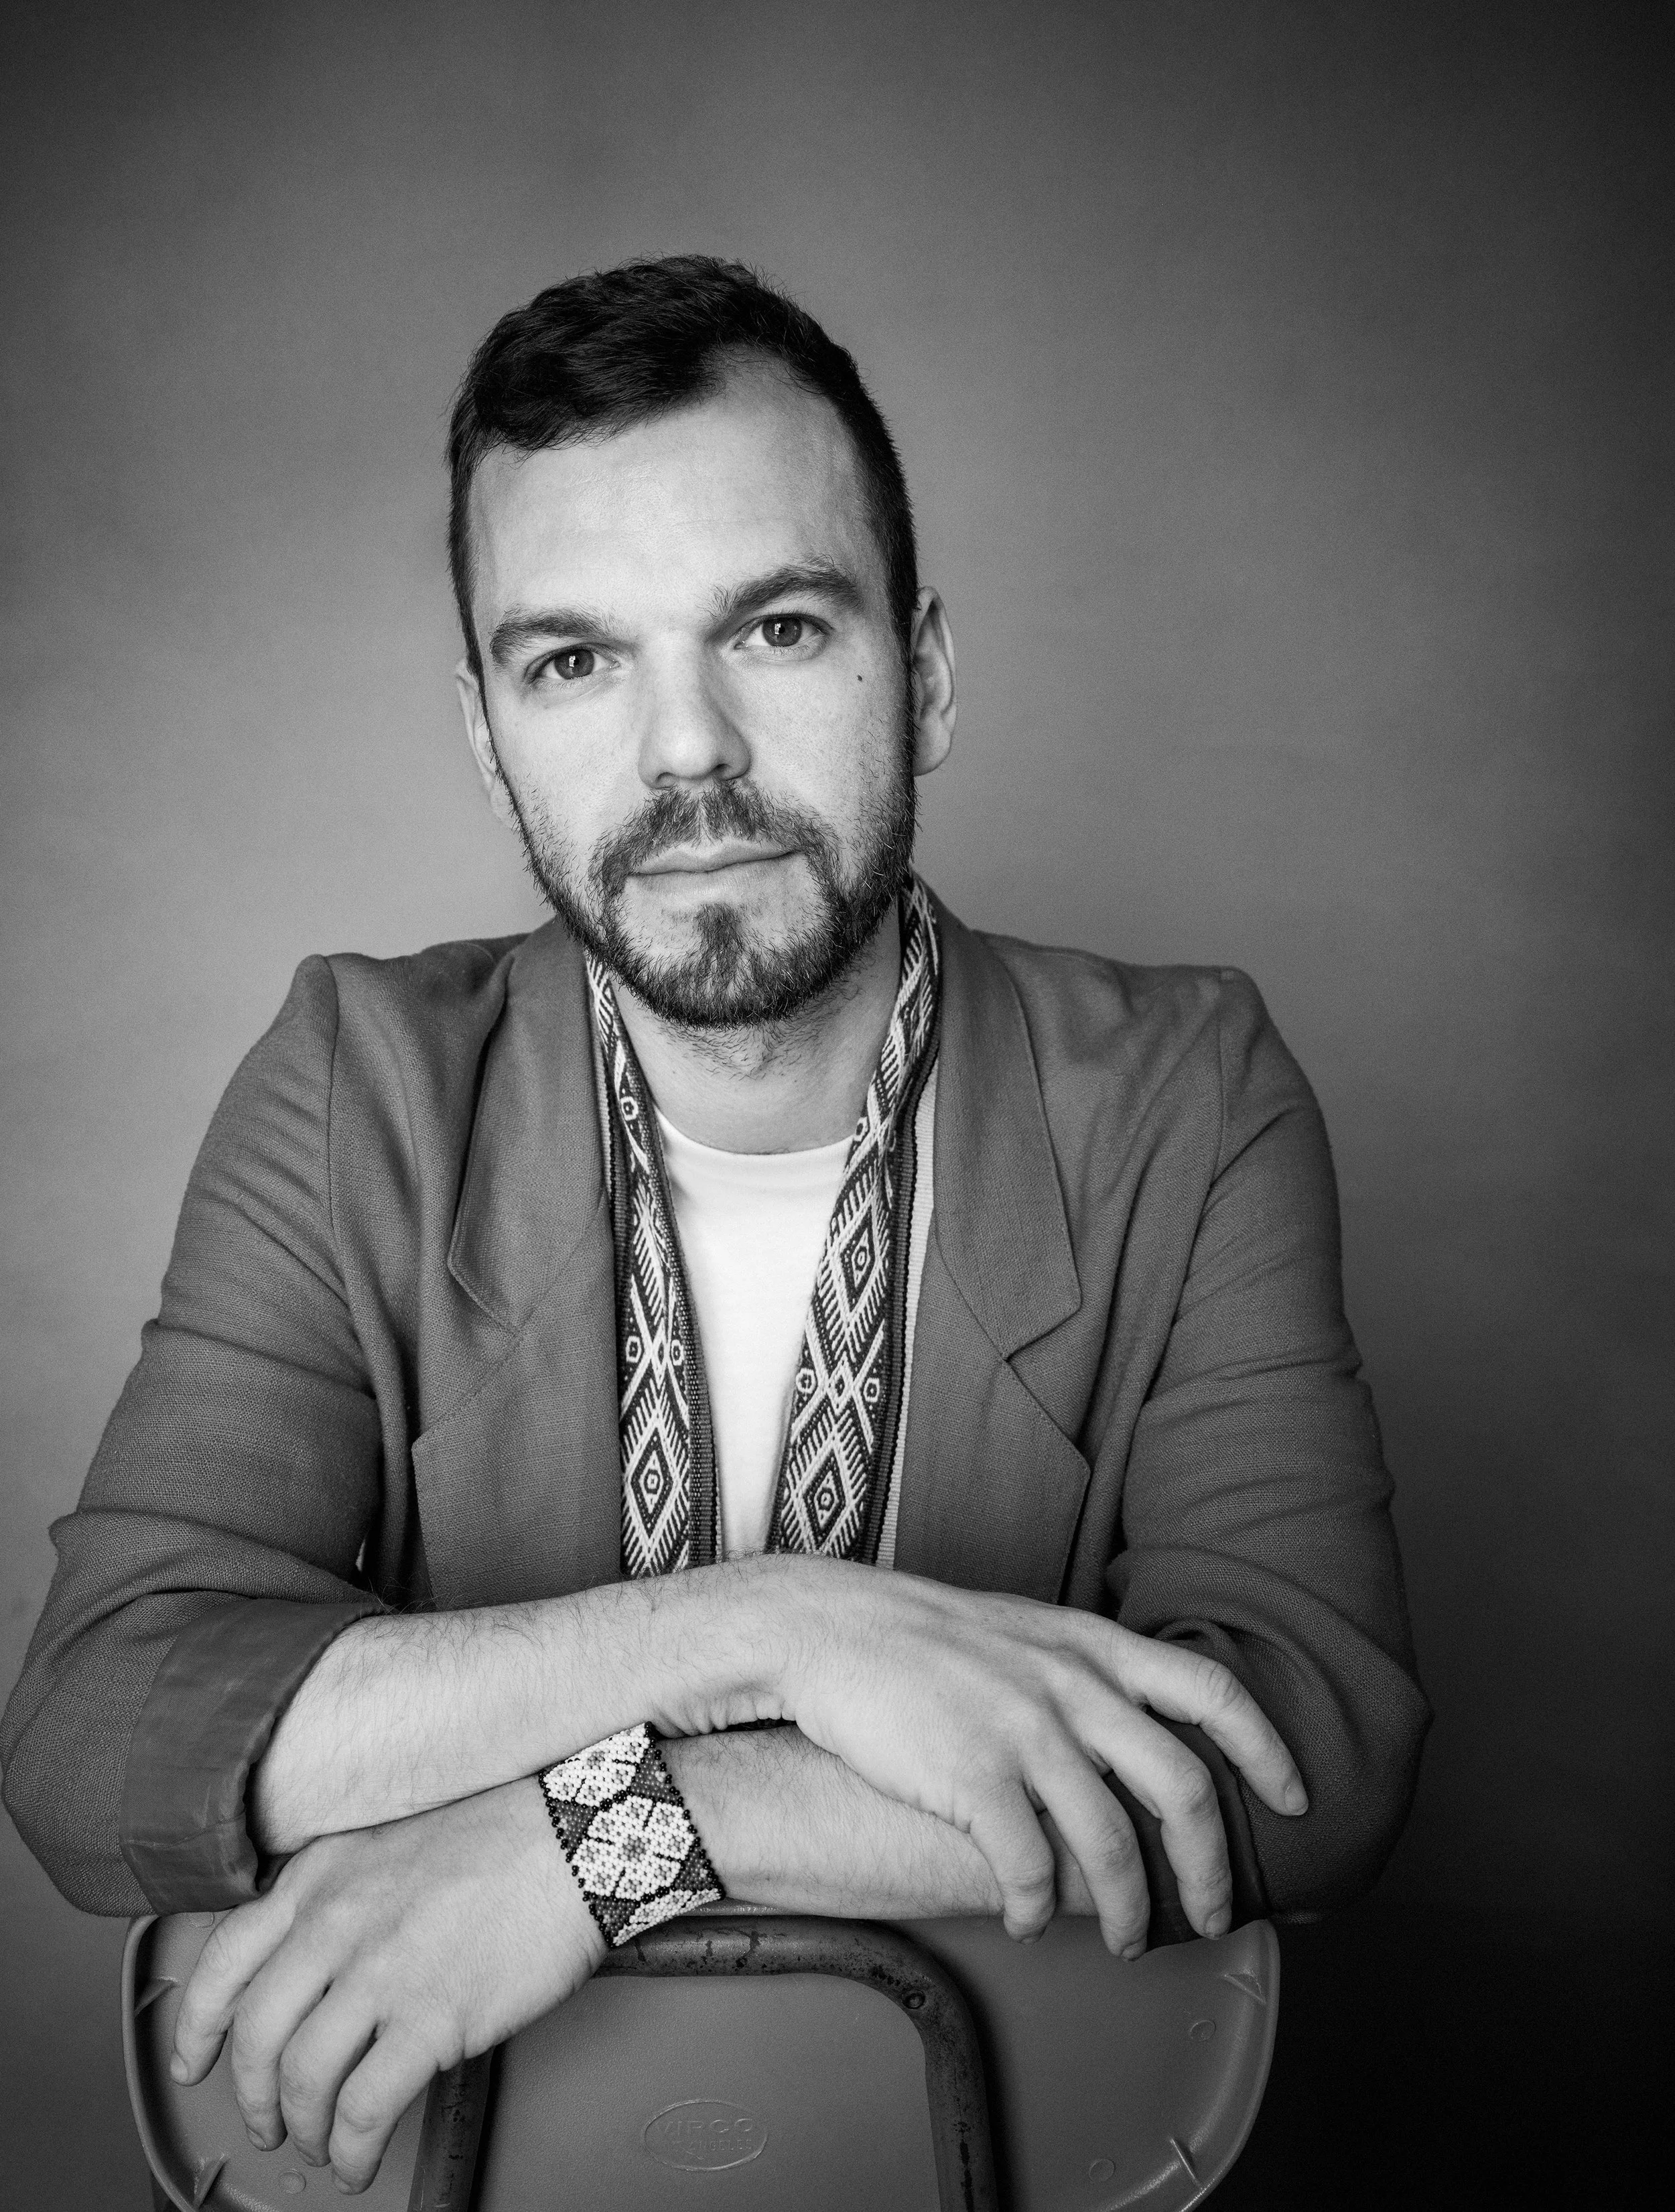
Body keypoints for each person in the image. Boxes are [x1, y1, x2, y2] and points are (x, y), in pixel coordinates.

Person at [0, 256, 1428, 2194]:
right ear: (489, 732)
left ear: (924, 673)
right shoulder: (358, 1083)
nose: (687, 750)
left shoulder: (1185, 1090)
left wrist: (602, 1835)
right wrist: (778, 1631)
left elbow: (1305, 1750)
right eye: (573, 661)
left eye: (774, 625)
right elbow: (100, 1731)